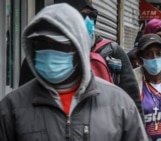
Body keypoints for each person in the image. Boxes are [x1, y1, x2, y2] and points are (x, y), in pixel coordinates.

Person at [0, 3, 148, 141]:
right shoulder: (11, 108)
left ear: (79, 49)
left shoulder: (119, 104)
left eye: (60, 45)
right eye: (42, 44)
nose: (50, 53)